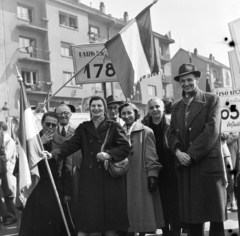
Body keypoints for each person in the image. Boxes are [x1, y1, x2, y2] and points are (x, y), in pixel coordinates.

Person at [44, 96, 130, 236]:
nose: (96, 108)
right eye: (93, 106)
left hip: (108, 178)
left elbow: (125, 147)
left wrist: (108, 154)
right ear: (89, 108)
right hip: (90, 179)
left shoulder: (113, 126)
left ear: (104, 109)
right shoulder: (84, 127)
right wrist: (53, 154)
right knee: (91, 219)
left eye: (99, 106)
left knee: (110, 221)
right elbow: (70, 145)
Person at [167, 63, 227, 236]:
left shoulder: (211, 99)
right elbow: (170, 134)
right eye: (183, 81)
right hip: (187, 166)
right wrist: (178, 152)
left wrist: (191, 155)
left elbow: (212, 131)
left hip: (207, 164)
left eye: (189, 80)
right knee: (193, 217)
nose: (186, 84)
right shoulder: (176, 106)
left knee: (216, 217)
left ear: (197, 79)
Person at [19, 112, 73, 236]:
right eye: (47, 124)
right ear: (42, 124)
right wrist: (39, 143)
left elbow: (67, 168)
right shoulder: (32, 141)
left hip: (55, 187)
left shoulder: (63, 141)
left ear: (57, 125)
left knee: (54, 224)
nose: (50, 127)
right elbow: (22, 163)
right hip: (36, 186)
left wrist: (67, 192)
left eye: (54, 125)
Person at [118, 102, 164, 236]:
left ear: (136, 114)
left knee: (140, 211)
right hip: (122, 176)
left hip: (140, 176)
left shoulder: (146, 131)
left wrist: (152, 175)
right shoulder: (117, 131)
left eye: (129, 113)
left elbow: (151, 155)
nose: (126, 116)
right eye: (124, 113)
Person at [142, 98, 181, 236]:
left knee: (175, 201)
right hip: (155, 168)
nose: (155, 110)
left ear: (163, 108)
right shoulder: (145, 124)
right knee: (161, 201)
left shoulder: (171, 123)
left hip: (172, 166)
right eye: (151, 107)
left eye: (157, 106)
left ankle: (176, 230)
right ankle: (165, 231)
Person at [0, 121, 17, 226]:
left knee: (6, 192)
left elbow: (4, 153)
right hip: (3, 167)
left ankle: (10, 216)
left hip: (2, 168)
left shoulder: (5, 138)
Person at [221, 132, 239, 212]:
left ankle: (232, 200)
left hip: (230, 145)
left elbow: (235, 135)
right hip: (219, 143)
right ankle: (230, 200)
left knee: (231, 171)